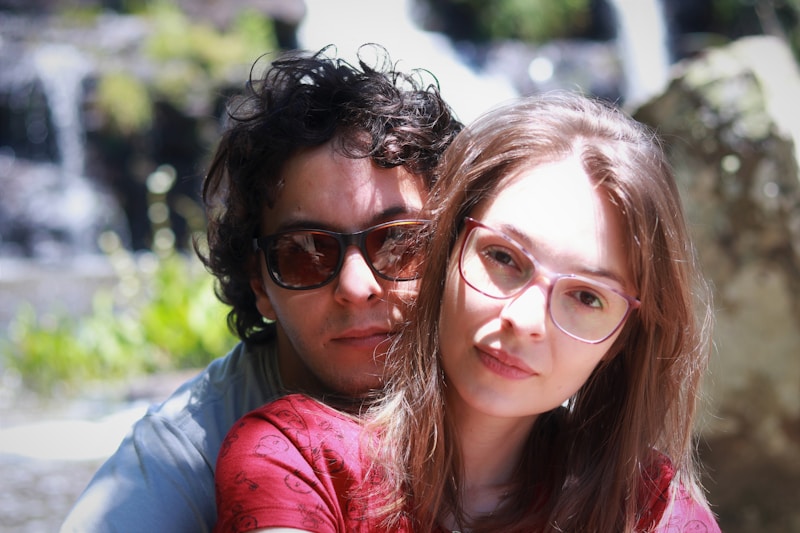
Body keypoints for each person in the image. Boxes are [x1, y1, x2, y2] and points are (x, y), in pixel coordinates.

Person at [213, 92, 721, 532]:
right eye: (503, 257)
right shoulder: (299, 460)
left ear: (623, 338)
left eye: (587, 297)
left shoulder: (650, 507)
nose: (524, 319)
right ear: (442, 249)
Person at [60, 44, 461, 532]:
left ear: (451, 248)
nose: (357, 287)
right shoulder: (185, 451)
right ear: (259, 283)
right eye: (306, 251)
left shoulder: (515, 372)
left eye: (398, 242)